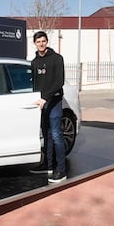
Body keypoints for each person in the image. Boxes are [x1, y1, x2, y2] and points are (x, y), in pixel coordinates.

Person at [29, 31, 67, 183]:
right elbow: (34, 84)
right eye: (39, 42)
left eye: (44, 41)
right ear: (35, 43)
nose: (41, 44)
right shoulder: (34, 62)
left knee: (57, 135)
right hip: (41, 103)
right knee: (46, 135)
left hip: (54, 102)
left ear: (47, 42)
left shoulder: (57, 59)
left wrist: (46, 98)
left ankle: (61, 170)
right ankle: (48, 165)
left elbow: (59, 82)